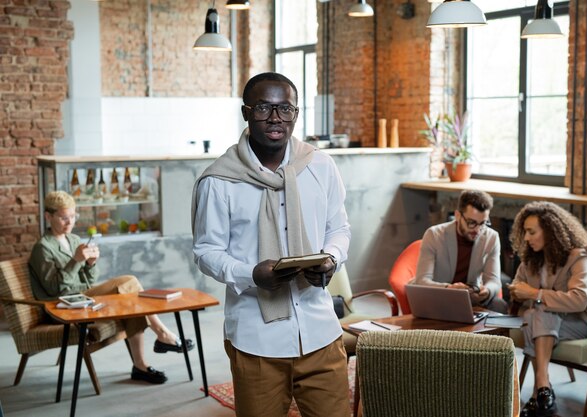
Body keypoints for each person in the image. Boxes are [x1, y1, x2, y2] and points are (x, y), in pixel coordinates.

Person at [191, 72, 351, 417]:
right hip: (256, 340)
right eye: (264, 108)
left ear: (295, 113)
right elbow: (206, 252)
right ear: (246, 112)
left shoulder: (320, 167)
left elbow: (339, 229)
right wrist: (251, 274)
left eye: (285, 109)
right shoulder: (219, 180)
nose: (276, 118)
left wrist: (331, 260)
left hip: (320, 331)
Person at [28, 190, 194, 385]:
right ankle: (163, 334)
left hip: (82, 297)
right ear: (48, 216)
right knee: (129, 282)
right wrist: (75, 261)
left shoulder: (72, 240)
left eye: (73, 216)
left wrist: (90, 263)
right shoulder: (43, 248)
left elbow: (89, 280)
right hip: (62, 305)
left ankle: (141, 365)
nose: (70, 222)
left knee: (132, 298)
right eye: (64, 218)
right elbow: (54, 288)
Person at [508, 201, 587, 417]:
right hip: (547, 322)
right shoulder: (532, 259)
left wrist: (533, 294)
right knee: (536, 315)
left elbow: (578, 300)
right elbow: (517, 286)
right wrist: (517, 292)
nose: (527, 238)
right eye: (525, 232)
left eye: (531, 232)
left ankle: (538, 391)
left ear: (550, 232)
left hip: (586, 321)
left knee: (536, 314)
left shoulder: (578, 257)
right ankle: (543, 392)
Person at [411, 189, 508, 313]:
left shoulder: (491, 237)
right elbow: (421, 281)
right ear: (457, 215)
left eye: (483, 223)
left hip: (470, 297)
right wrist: (449, 288)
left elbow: (494, 281)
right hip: (438, 295)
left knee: (499, 306)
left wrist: (487, 290)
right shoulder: (434, 235)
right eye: (471, 223)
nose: (477, 230)